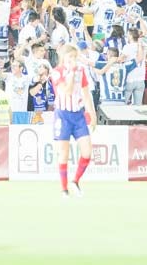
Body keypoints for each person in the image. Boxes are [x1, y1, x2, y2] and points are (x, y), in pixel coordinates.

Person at [50, 44, 97, 198]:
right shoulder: (57, 72)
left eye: (74, 57)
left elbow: (85, 93)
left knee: (87, 151)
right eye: (70, 57)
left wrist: (92, 113)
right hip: (62, 115)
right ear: (63, 57)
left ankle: (75, 180)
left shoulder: (81, 71)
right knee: (63, 153)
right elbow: (67, 91)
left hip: (78, 114)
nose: (73, 60)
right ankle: (64, 189)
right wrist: (70, 74)